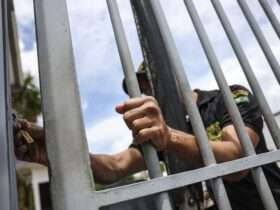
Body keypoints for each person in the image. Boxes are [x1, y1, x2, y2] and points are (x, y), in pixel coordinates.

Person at [15, 64, 280, 210]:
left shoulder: (228, 97)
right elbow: (112, 168)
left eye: (149, 82)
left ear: (173, 77)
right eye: (139, 89)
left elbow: (237, 160)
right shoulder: (160, 129)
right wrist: (57, 154)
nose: (144, 93)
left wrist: (170, 138)